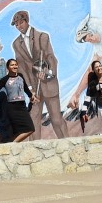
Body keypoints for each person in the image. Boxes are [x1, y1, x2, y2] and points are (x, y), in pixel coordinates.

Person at [11, 10, 66, 139]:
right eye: (16, 24)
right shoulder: (16, 44)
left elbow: (51, 58)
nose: (19, 26)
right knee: (33, 122)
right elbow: (22, 69)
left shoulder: (42, 37)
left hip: (49, 85)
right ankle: (34, 151)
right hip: (34, 89)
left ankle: (68, 145)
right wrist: (30, 90)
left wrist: (48, 73)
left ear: (27, 21)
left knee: (56, 120)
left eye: (21, 22)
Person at [0, 58, 36, 142]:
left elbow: (25, 88)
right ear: (8, 67)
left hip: (22, 106)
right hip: (12, 108)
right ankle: (12, 145)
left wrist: (31, 96)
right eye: (12, 65)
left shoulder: (21, 76)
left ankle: (12, 144)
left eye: (15, 64)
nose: (14, 66)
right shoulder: (5, 79)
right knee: (18, 131)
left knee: (31, 128)